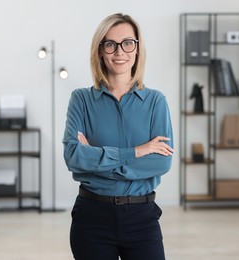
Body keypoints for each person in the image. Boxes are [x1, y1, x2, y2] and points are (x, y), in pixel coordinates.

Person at [62, 13, 174, 260]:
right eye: (110, 44)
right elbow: (73, 157)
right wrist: (137, 151)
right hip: (92, 219)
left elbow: (161, 162)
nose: (119, 52)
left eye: (128, 43)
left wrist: (97, 161)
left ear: (137, 49)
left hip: (142, 218)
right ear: (100, 51)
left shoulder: (156, 101)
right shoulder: (81, 99)